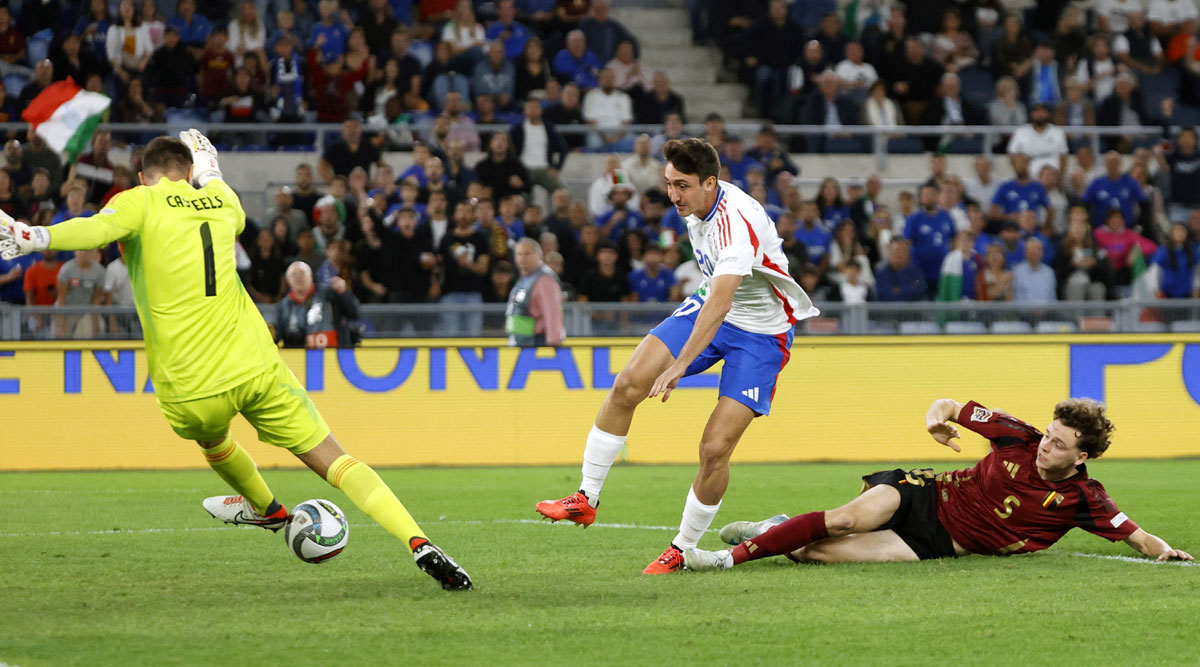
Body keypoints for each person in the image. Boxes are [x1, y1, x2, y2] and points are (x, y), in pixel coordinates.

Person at [0, 132, 471, 591]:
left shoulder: (137, 202)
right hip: (255, 367)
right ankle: (418, 541)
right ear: (189, 171)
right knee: (337, 460)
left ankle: (268, 509)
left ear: (143, 175)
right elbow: (216, 183)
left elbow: (96, 229)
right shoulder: (223, 202)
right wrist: (209, 168)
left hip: (191, 382)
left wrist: (33, 235)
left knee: (212, 438)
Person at [535, 138, 818, 574]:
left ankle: (683, 549)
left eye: (681, 186)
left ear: (711, 182)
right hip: (711, 308)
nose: (673, 195)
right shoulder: (694, 208)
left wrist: (680, 365)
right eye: (669, 184)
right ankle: (585, 498)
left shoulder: (736, 222)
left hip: (761, 334)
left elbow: (722, 303)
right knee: (628, 381)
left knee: (714, 448)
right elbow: (714, 300)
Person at [683, 398, 1192, 569]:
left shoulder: (1086, 498)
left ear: (1081, 457)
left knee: (817, 552)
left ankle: (779, 528)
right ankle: (725, 560)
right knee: (842, 520)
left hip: (938, 542)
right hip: (924, 490)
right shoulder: (1017, 434)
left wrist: (1166, 553)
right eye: (1049, 435)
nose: (1045, 445)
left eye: (1059, 445)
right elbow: (950, 404)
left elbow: (1138, 536)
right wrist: (934, 420)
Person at [506, 238, 564, 346]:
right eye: (519, 254)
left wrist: (553, 345)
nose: (522, 259)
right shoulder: (526, 278)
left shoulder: (545, 280)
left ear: (539, 255)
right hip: (523, 342)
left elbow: (553, 314)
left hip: (537, 343)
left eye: (527, 254)